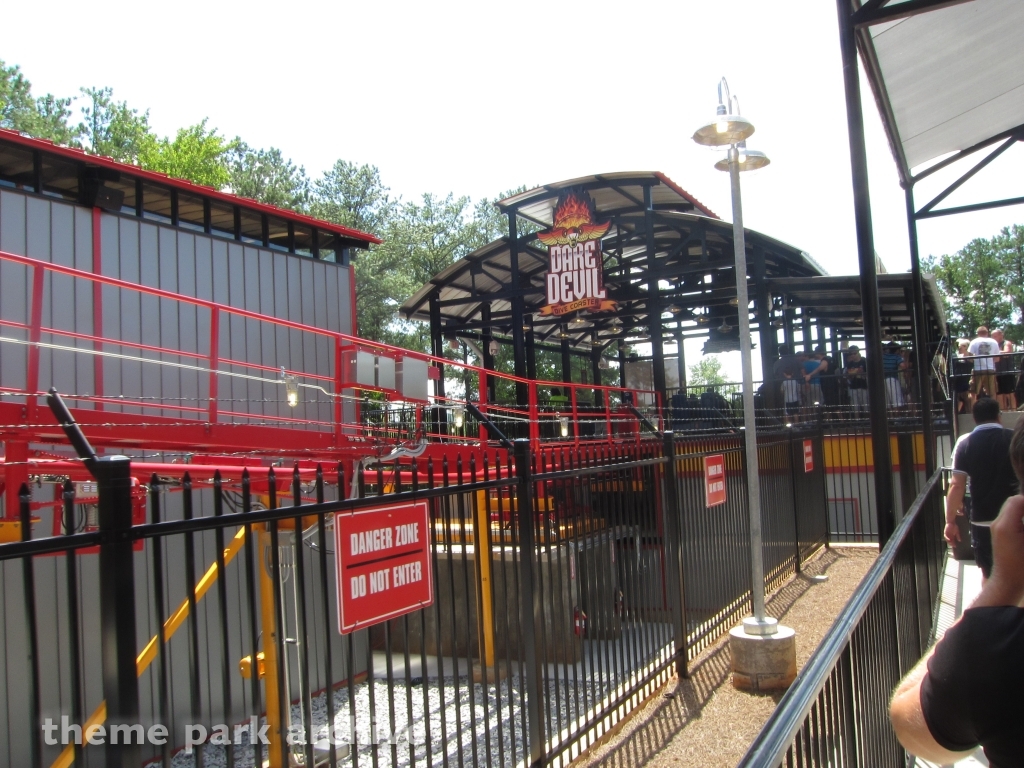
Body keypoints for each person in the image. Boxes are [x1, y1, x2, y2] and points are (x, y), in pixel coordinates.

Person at [890, 419, 1024, 766]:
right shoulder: (1003, 438)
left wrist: (1002, 588)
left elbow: (908, 721)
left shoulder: (996, 648)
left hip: (981, 523)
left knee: (986, 572)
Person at [943, 397, 1019, 579]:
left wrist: (950, 521)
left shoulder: (965, 444)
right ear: (999, 416)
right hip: (1013, 516)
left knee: (988, 573)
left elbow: (957, 485)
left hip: (981, 519)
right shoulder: (1013, 440)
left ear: (974, 418)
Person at [968, 325, 1000, 399]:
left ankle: (973, 406)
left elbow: (970, 358)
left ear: (978, 333)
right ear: (987, 333)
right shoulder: (994, 342)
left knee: (973, 392)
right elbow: (997, 359)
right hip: (991, 369)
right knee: (992, 392)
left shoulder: (974, 342)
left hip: (978, 369)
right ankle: (993, 406)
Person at [882, 341, 907, 410]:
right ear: (896, 350)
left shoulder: (882, 357)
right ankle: (897, 416)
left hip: (883, 380)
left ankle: (890, 416)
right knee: (896, 401)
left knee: (887, 402)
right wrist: (903, 358)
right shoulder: (896, 357)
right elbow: (903, 366)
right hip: (892, 379)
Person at [993, 333, 1015, 411]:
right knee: (1000, 395)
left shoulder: (1006, 343)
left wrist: (994, 352)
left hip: (1007, 372)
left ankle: (1013, 411)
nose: (993, 337)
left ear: (1001, 335)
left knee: (1009, 393)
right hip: (997, 373)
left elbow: (1007, 353)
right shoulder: (994, 345)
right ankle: (1004, 412)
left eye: (995, 336)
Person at [844, 345, 868, 416]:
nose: (853, 355)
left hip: (863, 386)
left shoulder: (864, 362)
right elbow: (848, 376)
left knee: (866, 405)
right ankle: (857, 420)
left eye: (854, 353)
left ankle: (868, 420)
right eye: (851, 354)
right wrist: (850, 375)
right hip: (853, 387)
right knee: (855, 406)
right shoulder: (850, 364)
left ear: (858, 352)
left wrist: (862, 373)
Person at [952, 339, 974, 414]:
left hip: (966, 379)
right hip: (957, 379)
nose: (960, 347)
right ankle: (956, 414)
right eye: (959, 345)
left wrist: (965, 354)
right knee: (958, 399)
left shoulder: (970, 355)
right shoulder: (955, 355)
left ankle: (970, 413)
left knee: (967, 397)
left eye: (963, 346)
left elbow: (971, 362)